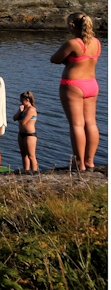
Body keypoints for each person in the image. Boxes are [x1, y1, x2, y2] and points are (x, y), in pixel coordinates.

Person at [50, 12, 101, 171]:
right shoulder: (97, 43)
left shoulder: (73, 43)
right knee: (91, 123)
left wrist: (67, 60)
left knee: (77, 125)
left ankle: (79, 163)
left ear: (72, 26)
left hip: (73, 85)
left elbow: (55, 59)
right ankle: (90, 161)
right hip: (92, 84)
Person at [12, 91, 38, 172]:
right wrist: (20, 111)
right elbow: (14, 118)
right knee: (24, 155)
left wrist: (19, 119)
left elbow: (23, 122)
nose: (20, 102)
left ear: (27, 100)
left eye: (22, 100)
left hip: (30, 135)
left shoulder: (31, 110)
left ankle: (35, 172)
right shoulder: (23, 108)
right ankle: (25, 171)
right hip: (21, 134)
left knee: (31, 156)